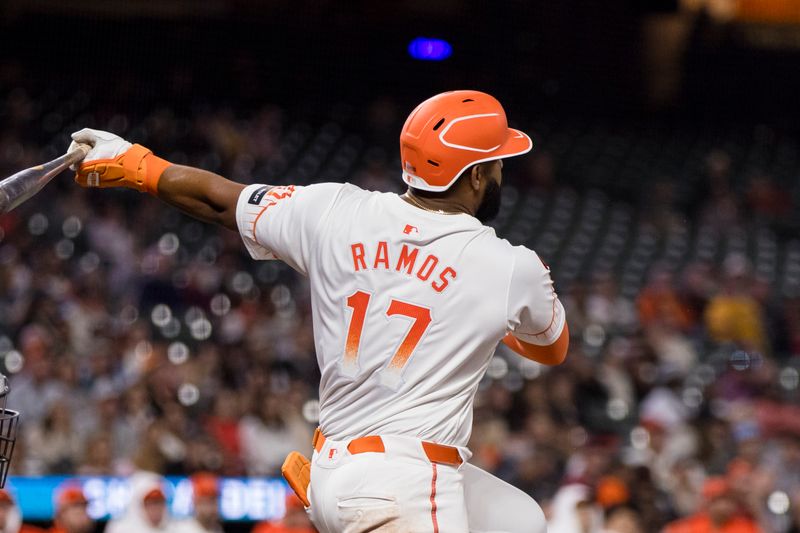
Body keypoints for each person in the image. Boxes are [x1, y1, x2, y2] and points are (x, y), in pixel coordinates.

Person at [70, 89, 569, 533]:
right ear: (477, 175)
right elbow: (551, 349)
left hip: (333, 468)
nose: (504, 169)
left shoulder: (335, 210)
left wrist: (136, 163)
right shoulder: (508, 266)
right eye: (500, 161)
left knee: (520, 519)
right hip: (404, 485)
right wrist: (471, 317)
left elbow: (222, 201)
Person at [662, 477, 762, 533]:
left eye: (730, 500)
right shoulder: (690, 526)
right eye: (720, 500)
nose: (726, 505)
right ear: (708, 503)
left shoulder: (746, 527)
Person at [104, 472, 173, 533]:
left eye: (159, 502)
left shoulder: (177, 529)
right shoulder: (118, 529)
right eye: (149, 503)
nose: (156, 509)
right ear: (138, 505)